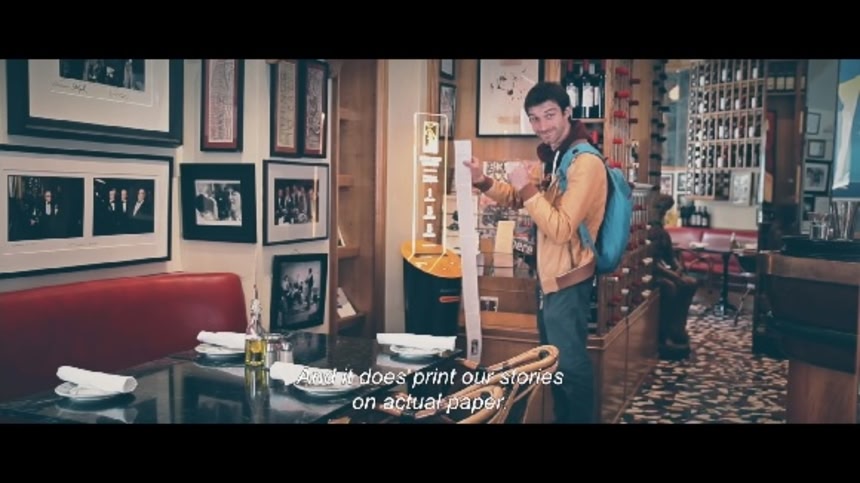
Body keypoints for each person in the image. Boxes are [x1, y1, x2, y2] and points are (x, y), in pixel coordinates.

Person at [464, 81, 607, 423]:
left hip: (568, 281)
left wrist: (525, 186)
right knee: (556, 366)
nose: (543, 126)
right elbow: (524, 200)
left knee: (570, 369)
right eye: (535, 118)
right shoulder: (561, 156)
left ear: (568, 113)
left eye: (550, 115)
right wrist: (483, 180)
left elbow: (560, 227)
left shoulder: (585, 163)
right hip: (552, 281)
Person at [648, 194, 696, 357]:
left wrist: (678, 267)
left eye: (665, 212)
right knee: (669, 287)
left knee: (690, 283)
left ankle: (678, 328)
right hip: (649, 275)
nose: (662, 215)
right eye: (661, 211)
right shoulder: (648, 232)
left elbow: (670, 257)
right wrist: (674, 276)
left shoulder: (662, 233)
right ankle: (663, 335)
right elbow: (653, 264)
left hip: (662, 271)